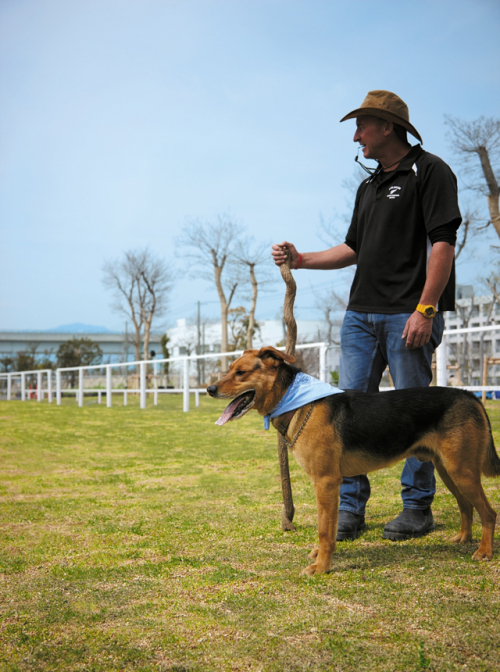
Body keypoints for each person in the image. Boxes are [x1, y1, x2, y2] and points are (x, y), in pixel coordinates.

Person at [272, 90, 462, 542]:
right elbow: (353, 249)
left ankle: (417, 508)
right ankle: (350, 510)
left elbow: (443, 244)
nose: (356, 136)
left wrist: (425, 309)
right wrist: (301, 258)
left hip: (408, 314)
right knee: (348, 414)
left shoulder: (430, 171)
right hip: (359, 316)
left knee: (416, 412)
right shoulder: (369, 185)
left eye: (362, 127)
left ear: (387, 127)